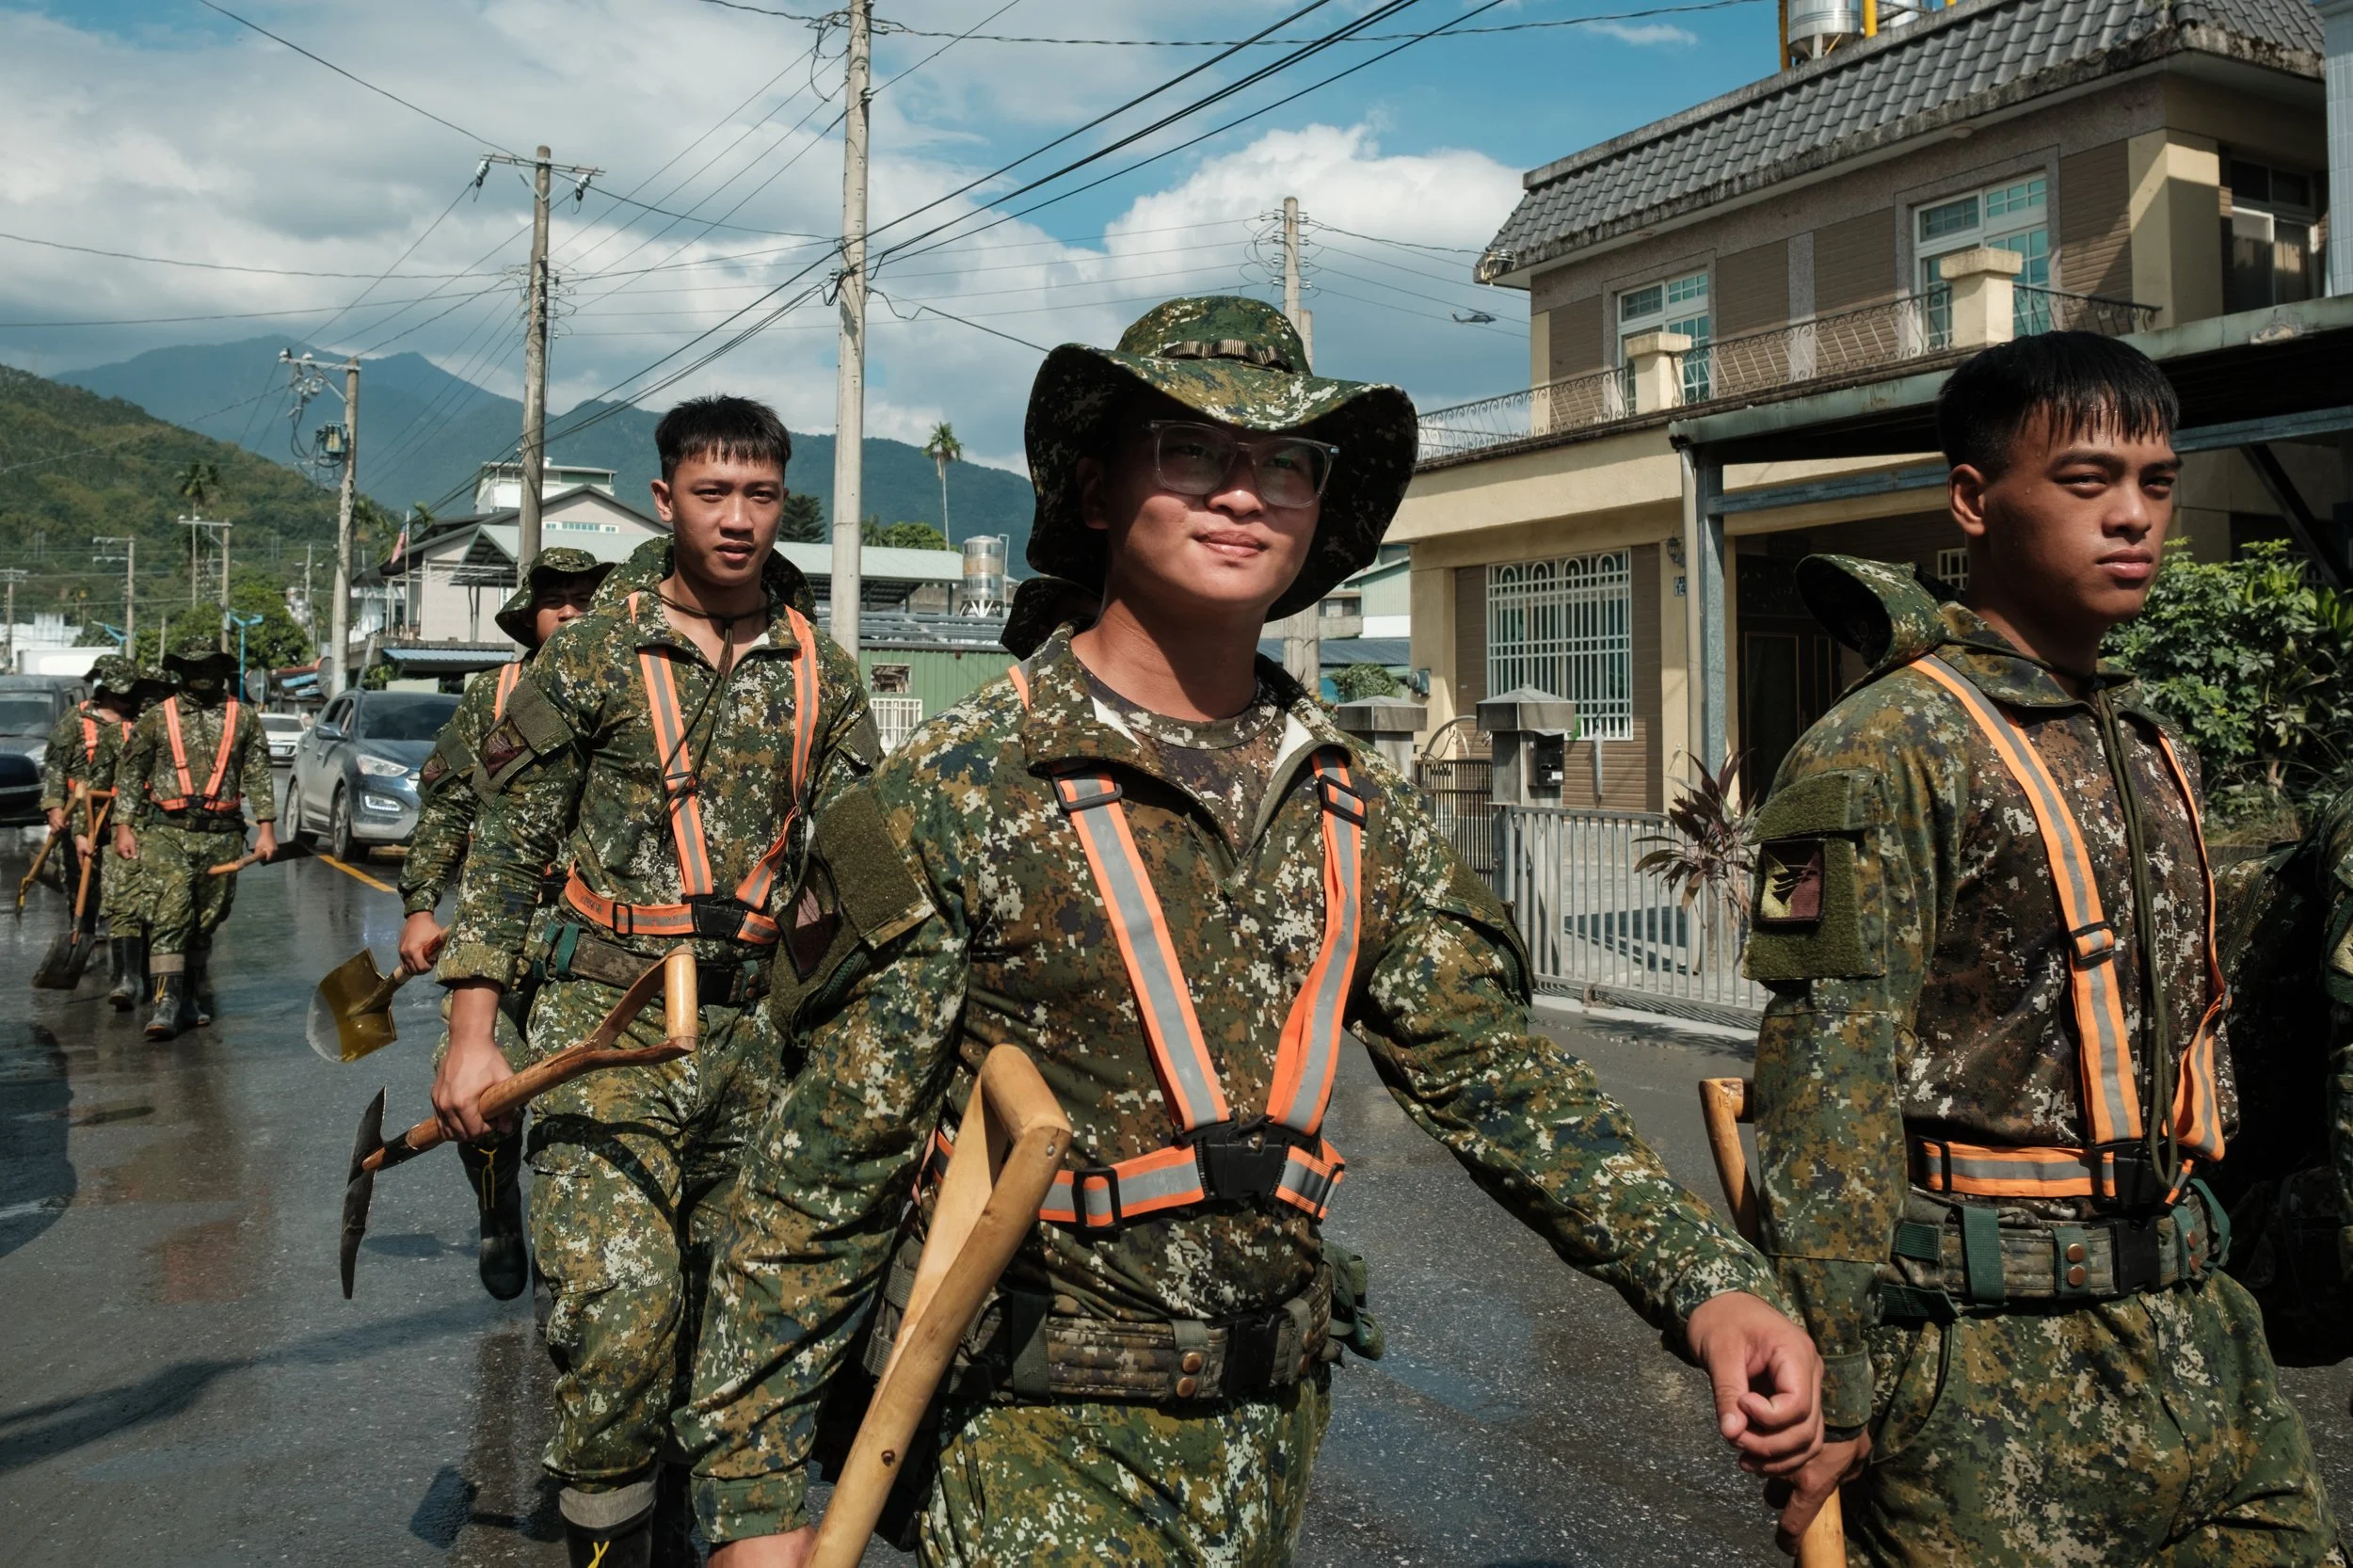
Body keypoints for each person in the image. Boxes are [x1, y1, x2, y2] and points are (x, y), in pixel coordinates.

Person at [682, 296, 1824, 1567]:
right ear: (1099, 488)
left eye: (1289, 461)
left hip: (1272, 1429)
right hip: (1034, 1438)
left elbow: (1499, 1079)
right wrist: (752, 1501)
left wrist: (1709, 1287)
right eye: (1192, 451)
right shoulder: (957, 790)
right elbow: (815, 1182)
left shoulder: (1353, 804)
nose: (1245, 492)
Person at [1753, 332, 2342, 1564]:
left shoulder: (2155, 749)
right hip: (1984, 1367)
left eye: (2158, 482)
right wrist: (1837, 1379)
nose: (2133, 516)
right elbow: (1829, 1083)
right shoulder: (1889, 748)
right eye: (2087, 481)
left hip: (2195, 1337)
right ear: (1975, 499)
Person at [429, 396, 876, 1567]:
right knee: (621, 1321)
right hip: (605, 1024)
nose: (739, 519)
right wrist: (473, 1035)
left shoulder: (826, 671)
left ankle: (690, 1525)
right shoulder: (585, 655)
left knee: (733, 1336)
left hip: (754, 1039)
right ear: (666, 496)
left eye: (763, 495)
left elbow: (865, 882)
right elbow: (505, 854)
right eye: (713, 493)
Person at [396, 546, 615, 1302]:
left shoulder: (643, 685)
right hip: (510, 924)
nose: (572, 613)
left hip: (607, 936)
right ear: (532, 616)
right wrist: (422, 902)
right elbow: (451, 803)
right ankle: (497, 1207)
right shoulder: (497, 698)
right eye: (558, 601)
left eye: (587, 600)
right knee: (480, 1097)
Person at [113, 634, 276, 1041]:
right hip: (168, 832)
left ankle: (188, 997)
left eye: (210, 666)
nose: (202, 673)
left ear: (222, 670)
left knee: (206, 919)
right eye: (193, 666)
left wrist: (267, 829)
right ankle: (165, 1003)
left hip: (221, 834)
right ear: (180, 671)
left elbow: (257, 772)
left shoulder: (244, 717)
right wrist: (123, 826)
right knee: (171, 914)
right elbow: (131, 774)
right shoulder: (157, 718)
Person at [38, 656, 139, 1000]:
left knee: (120, 892)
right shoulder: (75, 720)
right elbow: (54, 765)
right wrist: (53, 807)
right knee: (79, 883)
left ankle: (122, 964)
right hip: (77, 812)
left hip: (121, 817)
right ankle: (79, 935)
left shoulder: (137, 721)